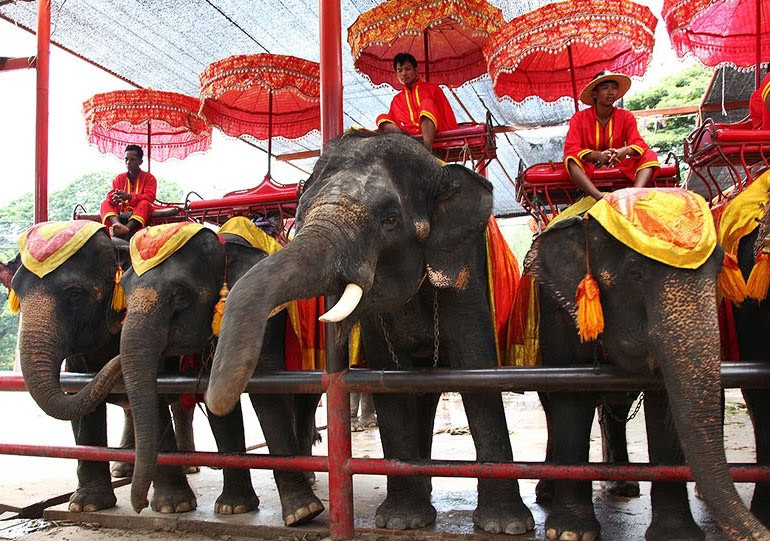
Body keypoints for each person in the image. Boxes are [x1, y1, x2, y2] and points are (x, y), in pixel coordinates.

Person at [564, 71, 660, 201]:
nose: (611, 92)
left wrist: (624, 150)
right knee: (570, 159)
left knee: (650, 155)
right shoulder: (579, 118)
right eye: (605, 88)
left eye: (614, 88)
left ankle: (634, 194)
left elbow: (638, 144)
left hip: (620, 164)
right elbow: (571, 148)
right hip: (589, 167)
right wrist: (597, 155)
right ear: (594, 94)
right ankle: (599, 196)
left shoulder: (626, 116)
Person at [376, 52, 458, 151]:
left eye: (407, 69)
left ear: (416, 70)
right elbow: (393, 124)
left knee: (426, 104)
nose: (404, 73)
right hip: (409, 137)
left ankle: (427, 151)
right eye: (400, 70)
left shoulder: (433, 89)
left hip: (437, 132)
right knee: (382, 119)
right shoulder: (396, 100)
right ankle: (407, 147)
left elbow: (447, 116)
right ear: (396, 75)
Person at [100, 144, 157, 239]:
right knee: (105, 203)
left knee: (145, 203)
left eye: (132, 159)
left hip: (139, 210)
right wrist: (114, 197)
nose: (128, 162)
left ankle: (126, 228)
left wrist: (129, 196)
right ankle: (117, 225)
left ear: (140, 162)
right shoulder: (119, 178)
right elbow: (110, 196)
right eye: (126, 159)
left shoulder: (149, 178)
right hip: (121, 210)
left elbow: (150, 197)